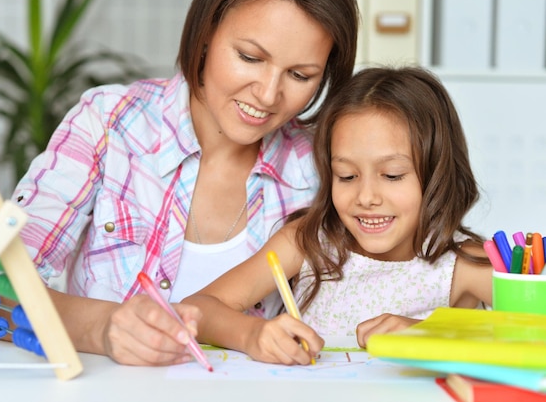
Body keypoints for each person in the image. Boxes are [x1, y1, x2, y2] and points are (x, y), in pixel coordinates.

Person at [10, 0, 359, 366]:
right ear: (205, 34)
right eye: (249, 57)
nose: (268, 94)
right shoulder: (109, 122)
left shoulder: (323, 166)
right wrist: (102, 328)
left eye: (300, 74)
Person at [182, 66, 493, 366]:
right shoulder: (308, 241)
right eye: (346, 176)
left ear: (437, 173)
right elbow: (196, 308)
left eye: (392, 175)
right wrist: (252, 334)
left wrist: (439, 336)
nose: (366, 197)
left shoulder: (462, 263)